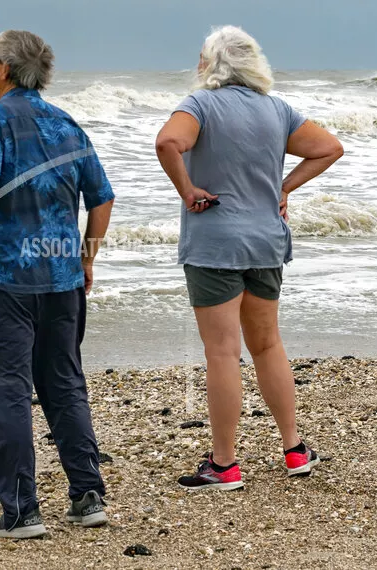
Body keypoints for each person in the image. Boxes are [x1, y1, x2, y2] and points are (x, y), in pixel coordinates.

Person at [155, 26, 344, 491]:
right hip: (265, 240)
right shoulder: (276, 109)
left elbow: (167, 143)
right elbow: (329, 148)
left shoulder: (199, 105)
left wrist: (187, 190)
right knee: (267, 344)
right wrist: (282, 188)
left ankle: (224, 465)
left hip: (216, 242)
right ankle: (295, 450)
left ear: (210, 62)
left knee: (222, 352)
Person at [0, 30, 115, 537]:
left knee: (6, 390)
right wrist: (86, 256)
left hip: (8, 278)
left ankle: (22, 510)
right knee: (64, 384)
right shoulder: (66, 123)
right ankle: (88, 495)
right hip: (62, 278)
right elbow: (102, 197)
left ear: (4, 67)